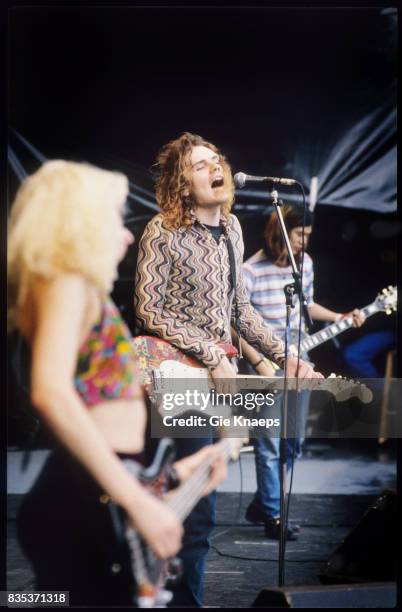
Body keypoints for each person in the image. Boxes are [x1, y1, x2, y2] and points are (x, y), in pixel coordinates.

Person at [8, 160, 226, 606]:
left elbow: (109, 442)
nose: (126, 236)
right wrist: (140, 502)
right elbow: (50, 391)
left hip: (98, 490)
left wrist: (177, 472)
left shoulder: (77, 289)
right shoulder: (67, 280)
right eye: (114, 218)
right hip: (83, 500)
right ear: (79, 225)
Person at [134, 133, 323, 605]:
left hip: (215, 376)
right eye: (199, 165)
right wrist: (211, 352)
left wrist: (287, 355)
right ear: (182, 182)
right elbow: (149, 309)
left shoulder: (233, 229)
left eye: (215, 160)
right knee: (187, 501)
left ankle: (183, 601)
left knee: (203, 510)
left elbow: (240, 309)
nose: (213, 167)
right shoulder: (163, 230)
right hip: (176, 373)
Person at [240, 203, 366, 540]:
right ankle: (272, 515)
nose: (304, 242)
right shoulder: (249, 271)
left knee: (293, 443)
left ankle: (263, 504)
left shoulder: (304, 265)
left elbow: (307, 305)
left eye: (308, 236)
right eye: (299, 235)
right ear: (280, 232)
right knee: (268, 443)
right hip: (266, 364)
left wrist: (339, 317)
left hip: (300, 360)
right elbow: (237, 325)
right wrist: (261, 362)